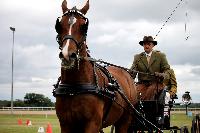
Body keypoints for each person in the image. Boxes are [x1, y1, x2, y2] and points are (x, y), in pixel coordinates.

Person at [130, 35, 175, 100]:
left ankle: (146, 109)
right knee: (133, 93)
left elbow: (167, 72)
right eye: (145, 44)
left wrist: (162, 75)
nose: (146, 46)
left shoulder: (161, 56)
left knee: (150, 91)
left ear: (153, 45)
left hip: (157, 84)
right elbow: (132, 74)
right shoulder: (137, 57)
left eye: (149, 44)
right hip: (142, 84)